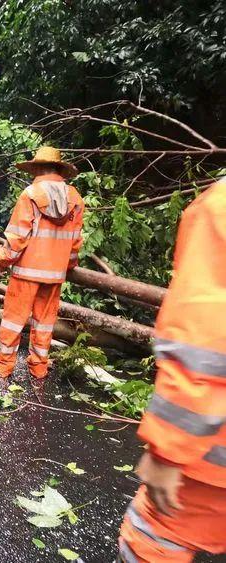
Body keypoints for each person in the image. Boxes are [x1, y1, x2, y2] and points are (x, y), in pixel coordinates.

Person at [117, 178, 226, 562]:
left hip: (212, 461)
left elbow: (205, 343)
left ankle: (8, 362)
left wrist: (169, 451)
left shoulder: (221, 207)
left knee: (153, 536)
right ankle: (38, 363)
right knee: (41, 326)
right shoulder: (75, 198)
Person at [0, 146, 84, 379]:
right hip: (54, 274)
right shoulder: (75, 198)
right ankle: (39, 366)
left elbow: (17, 237)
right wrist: (69, 265)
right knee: (44, 321)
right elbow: (75, 241)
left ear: (38, 168)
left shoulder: (30, 194)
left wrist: (2, 260)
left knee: (14, 320)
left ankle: (4, 365)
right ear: (58, 169)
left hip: (26, 272)